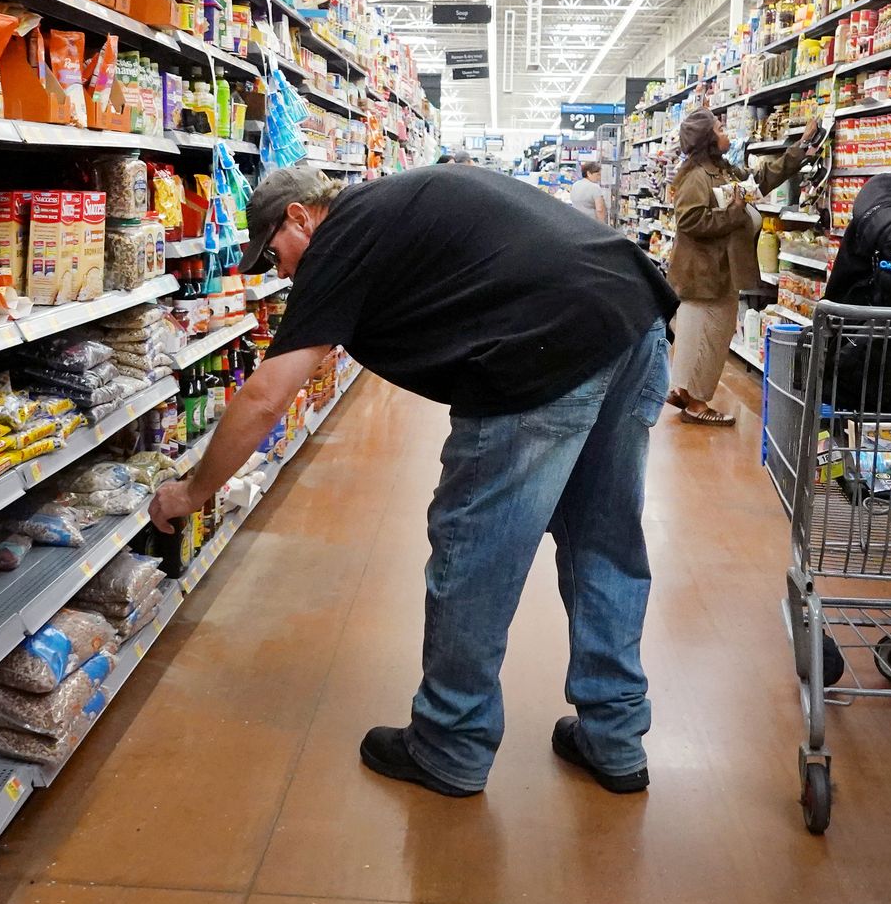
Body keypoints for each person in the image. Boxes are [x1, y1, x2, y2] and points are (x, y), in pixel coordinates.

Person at [148, 164, 678, 797]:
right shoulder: (388, 209)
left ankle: (450, 742)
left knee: (476, 552)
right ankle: (615, 738)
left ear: (299, 217)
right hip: (631, 314)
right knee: (604, 540)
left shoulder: (341, 236)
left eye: (277, 256)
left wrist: (191, 492)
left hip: (543, 346)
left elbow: (266, 396)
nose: (282, 273)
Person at [666, 108, 817, 426]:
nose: (727, 133)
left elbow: (758, 182)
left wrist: (800, 148)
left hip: (717, 271)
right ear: (708, 138)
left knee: (702, 335)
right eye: (721, 129)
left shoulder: (720, 171)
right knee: (708, 337)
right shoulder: (696, 177)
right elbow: (690, 220)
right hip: (704, 273)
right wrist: (735, 212)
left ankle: (684, 391)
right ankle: (697, 403)